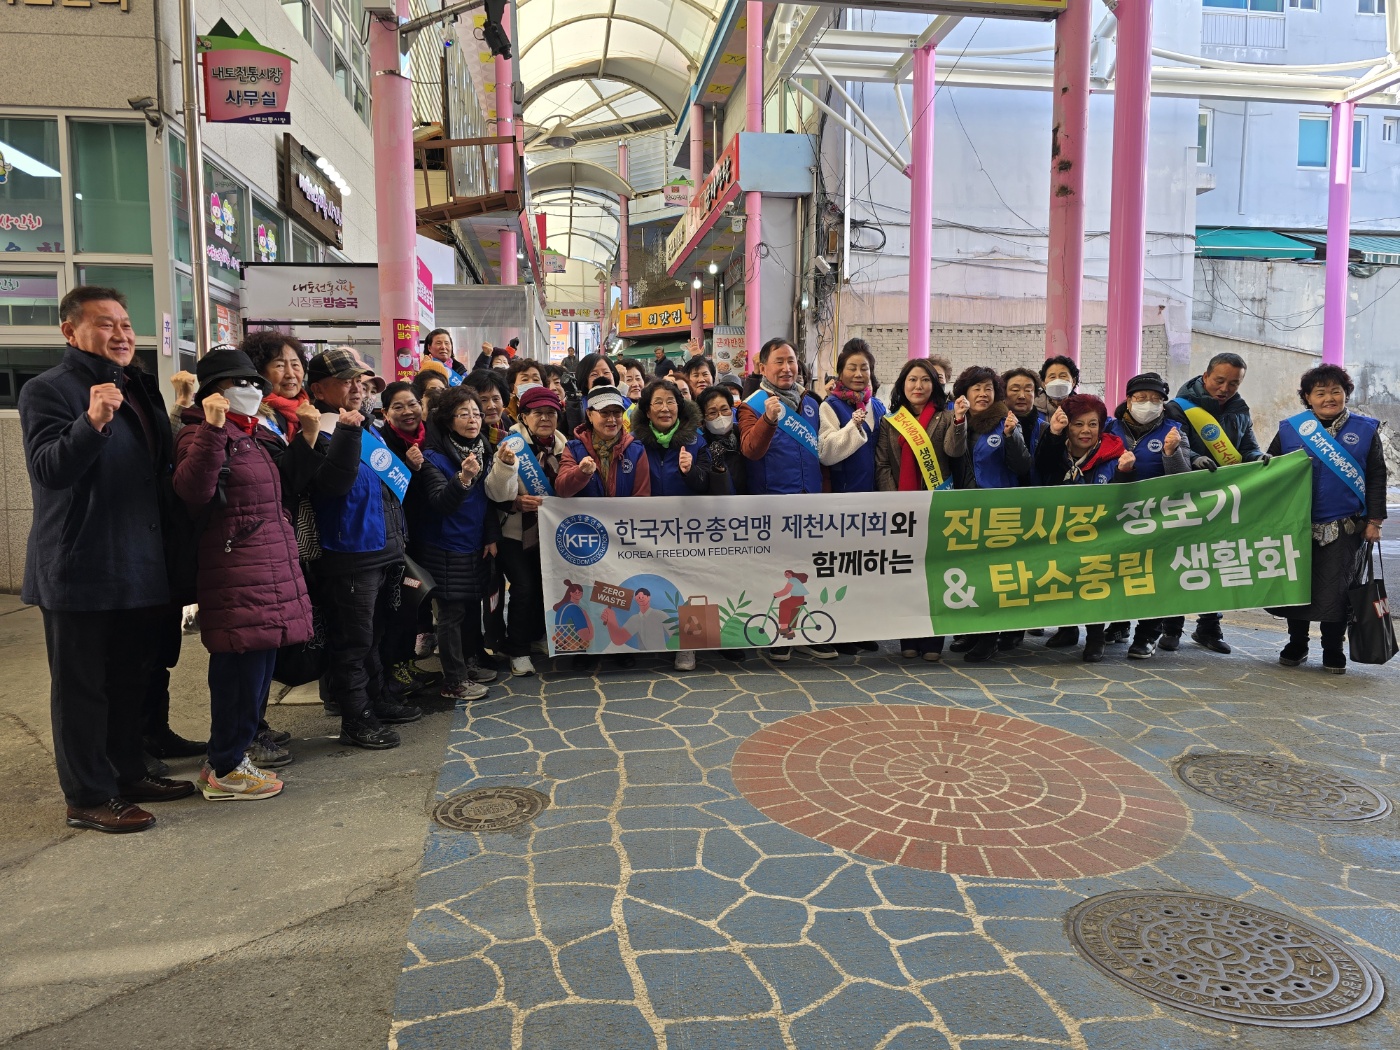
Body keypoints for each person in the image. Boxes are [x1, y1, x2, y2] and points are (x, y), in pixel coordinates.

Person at [20, 286, 195, 833]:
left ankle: (127, 771)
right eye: (105, 324)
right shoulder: (48, 390)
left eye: (125, 323)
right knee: (82, 689)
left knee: (129, 679)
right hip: (80, 566)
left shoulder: (137, 386)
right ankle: (88, 796)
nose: (121, 333)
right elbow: (49, 469)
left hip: (138, 563)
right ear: (70, 332)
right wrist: (91, 422)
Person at [173, 349, 313, 801]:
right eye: (240, 383)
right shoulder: (204, 433)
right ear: (214, 391)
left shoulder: (247, 433)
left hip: (264, 570)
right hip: (237, 573)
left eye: (256, 383)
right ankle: (226, 767)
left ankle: (230, 757)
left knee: (254, 669)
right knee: (238, 672)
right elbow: (194, 490)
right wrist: (211, 428)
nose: (252, 390)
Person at [305, 348, 417, 749]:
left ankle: (377, 698)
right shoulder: (317, 429)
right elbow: (332, 485)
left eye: (361, 380)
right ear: (318, 388)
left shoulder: (366, 426)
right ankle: (356, 717)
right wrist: (349, 433)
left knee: (374, 635)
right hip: (349, 552)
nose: (357, 387)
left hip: (385, 548)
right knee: (351, 641)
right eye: (347, 380)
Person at [1266, 365, 1387, 675]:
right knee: (1298, 586)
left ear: (1346, 394)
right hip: (1296, 524)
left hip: (1344, 525)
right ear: (1308, 397)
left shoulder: (1364, 430)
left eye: (1336, 391)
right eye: (1320, 392)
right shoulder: (1291, 429)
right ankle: (1297, 642)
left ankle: (1332, 648)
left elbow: (1375, 475)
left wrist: (1375, 520)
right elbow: (1268, 468)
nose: (1329, 397)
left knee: (1338, 590)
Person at [737, 338, 837, 662]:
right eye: (779, 361)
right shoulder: (750, 405)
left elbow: (823, 451)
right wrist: (767, 420)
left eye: (791, 361)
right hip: (773, 504)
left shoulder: (811, 403)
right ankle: (782, 635)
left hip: (811, 504)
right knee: (782, 574)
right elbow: (750, 450)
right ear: (762, 367)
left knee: (811, 571)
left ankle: (810, 633)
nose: (786, 367)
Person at [1163, 351, 1268, 656]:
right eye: (1220, 381)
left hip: (1223, 499)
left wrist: (1257, 458)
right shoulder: (1178, 407)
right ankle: (1171, 628)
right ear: (1206, 376)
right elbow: (1172, 442)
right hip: (1186, 495)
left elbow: (1247, 448)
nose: (1225, 388)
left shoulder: (1239, 410)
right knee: (1181, 561)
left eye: (1233, 384)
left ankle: (1209, 627)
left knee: (1216, 562)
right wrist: (1194, 459)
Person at [412, 386, 500, 700]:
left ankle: (468, 665)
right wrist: (462, 479)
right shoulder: (432, 457)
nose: (472, 419)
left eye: (476, 413)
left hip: (473, 542)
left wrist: (490, 535)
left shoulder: (483, 449)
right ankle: (454, 681)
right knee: (449, 616)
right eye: (463, 414)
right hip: (443, 545)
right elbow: (439, 502)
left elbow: (487, 498)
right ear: (449, 421)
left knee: (469, 609)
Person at [1034, 393, 1137, 663]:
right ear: (1067, 425)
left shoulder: (1116, 455)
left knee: (1093, 582)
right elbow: (1040, 469)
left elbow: (1123, 500)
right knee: (1062, 577)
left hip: (1099, 534)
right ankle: (1067, 629)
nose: (1085, 431)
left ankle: (1095, 637)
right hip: (1058, 531)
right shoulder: (1056, 449)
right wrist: (1054, 435)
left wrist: (1126, 473)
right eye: (1078, 424)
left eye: (1092, 424)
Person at [944, 366, 1032, 663]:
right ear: (965, 394)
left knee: (992, 577)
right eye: (976, 388)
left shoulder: (1006, 421)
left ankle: (989, 637)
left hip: (998, 512)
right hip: (965, 510)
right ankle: (973, 631)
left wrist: (1010, 436)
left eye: (988, 389)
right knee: (971, 574)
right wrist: (958, 421)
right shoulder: (958, 419)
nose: (982, 394)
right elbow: (953, 454)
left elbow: (1022, 466)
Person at [1105, 372, 1194, 659]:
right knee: (1118, 574)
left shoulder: (1174, 430)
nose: (1148, 404)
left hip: (1158, 519)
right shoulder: (1109, 427)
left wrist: (1171, 452)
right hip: (1116, 517)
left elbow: (1184, 480)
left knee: (1153, 578)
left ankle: (1147, 634)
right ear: (1128, 400)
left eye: (1155, 399)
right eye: (1141, 398)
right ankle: (1118, 625)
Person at [485, 384, 569, 676]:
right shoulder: (510, 446)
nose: (545, 419)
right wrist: (515, 499)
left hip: (549, 534)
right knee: (523, 588)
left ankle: (534, 636)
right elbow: (495, 493)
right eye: (538, 413)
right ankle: (516, 648)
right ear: (523, 416)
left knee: (545, 587)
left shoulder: (564, 446)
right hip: (513, 533)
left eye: (551, 413)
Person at [875, 357, 954, 663]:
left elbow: (953, 452)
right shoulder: (890, 421)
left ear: (934, 385)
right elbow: (882, 465)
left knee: (934, 573)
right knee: (906, 572)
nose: (918, 386)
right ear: (902, 385)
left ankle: (933, 639)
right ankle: (908, 636)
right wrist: (896, 501)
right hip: (902, 509)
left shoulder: (947, 418)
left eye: (925, 380)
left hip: (938, 506)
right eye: (912, 380)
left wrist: (959, 423)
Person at [375, 383, 445, 701]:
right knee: (398, 604)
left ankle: (406, 664)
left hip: (426, 533)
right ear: (385, 413)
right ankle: (395, 669)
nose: (408, 412)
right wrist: (411, 468)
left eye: (412, 404)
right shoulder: (381, 441)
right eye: (398, 407)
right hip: (396, 536)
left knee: (413, 602)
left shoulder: (431, 435)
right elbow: (389, 490)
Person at [556, 385, 651, 498]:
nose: (612, 419)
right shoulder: (573, 449)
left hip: (624, 515)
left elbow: (642, 497)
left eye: (617, 412)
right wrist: (581, 473)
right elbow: (561, 490)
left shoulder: (636, 450)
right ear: (589, 414)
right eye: (604, 412)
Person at [820, 339, 885, 495]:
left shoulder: (878, 406)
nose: (858, 374)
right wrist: (853, 427)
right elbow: (825, 452)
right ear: (841, 372)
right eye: (852, 368)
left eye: (864, 368)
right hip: (844, 497)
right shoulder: (831, 406)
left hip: (879, 496)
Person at [697, 386, 746, 496]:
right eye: (712, 413)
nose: (720, 416)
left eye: (724, 409)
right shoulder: (700, 444)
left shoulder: (744, 434)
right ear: (703, 418)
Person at [1002, 367, 1048, 484]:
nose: (1022, 395)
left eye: (1028, 390)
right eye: (1015, 390)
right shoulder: (995, 427)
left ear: (1036, 394)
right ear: (1004, 393)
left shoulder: (1045, 428)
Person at [566, 353, 623, 433]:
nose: (601, 377)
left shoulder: (627, 403)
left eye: (606, 372)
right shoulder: (577, 405)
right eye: (594, 374)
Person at [462, 368, 512, 441]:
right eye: (483, 400)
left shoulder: (506, 422)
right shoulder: (467, 433)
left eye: (496, 399)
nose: (491, 406)